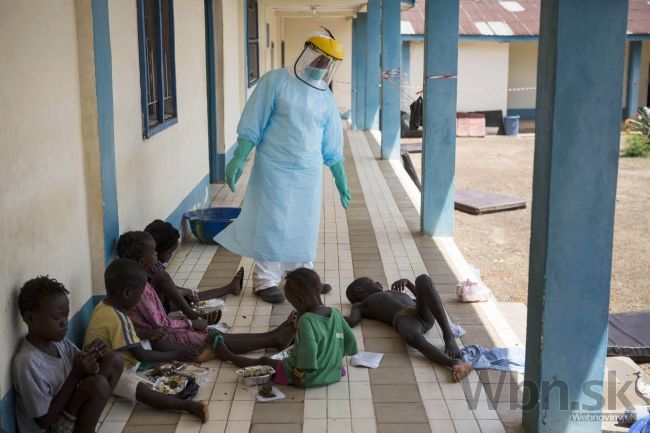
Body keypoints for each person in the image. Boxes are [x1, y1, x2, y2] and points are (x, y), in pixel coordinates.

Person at [215, 28, 351, 304]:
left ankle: (301, 277)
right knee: (272, 222)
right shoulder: (276, 81)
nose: (322, 65)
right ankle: (265, 280)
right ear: (307, 52)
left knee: (305, 223)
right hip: (274, 167)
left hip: (308, 172)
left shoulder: (324, 95)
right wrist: (239, 156)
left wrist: (340, 178)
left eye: (329, 63)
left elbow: (331, 140)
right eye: (320, 58)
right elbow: (254, 120)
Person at [84, 259, 208, 421]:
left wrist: (148, 334)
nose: (142, 297)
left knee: (153, 340)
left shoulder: (103, 306)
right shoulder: (118, 318)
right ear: (127, 292)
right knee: (137, 388)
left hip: (117, 358)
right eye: (141, 293)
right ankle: (188, 406)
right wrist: (177, 353)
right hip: (106, 373)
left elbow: (127, 335)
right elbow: (141, 355)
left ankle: (174, 360)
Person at [212, 268, 358, 388]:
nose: (294, 308)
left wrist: (298, 374)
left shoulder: (307, 320)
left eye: (293, 303)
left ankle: (229, 356)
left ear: (299, 300)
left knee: (264, 361)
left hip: (307, 377)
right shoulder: (336, 313)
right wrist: (332, 361)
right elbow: (350, 341)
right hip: (334, 372)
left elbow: (309, 350)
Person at [12, 276, 123, 433]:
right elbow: (44, 421)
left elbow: (87, 369)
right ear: (30, 318)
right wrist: (75, 374)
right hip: (49, 426)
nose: (64, 322)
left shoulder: (58, 343)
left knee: (113, 360)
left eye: (66, 315)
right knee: (97, 384)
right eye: (57, 317)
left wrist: (95, 353)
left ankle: (87, 424)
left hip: (65, 413)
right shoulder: (28, 362)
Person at [345, 274, 473, 382]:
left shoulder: (392, 292)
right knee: (410, 336)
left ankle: (449, 337)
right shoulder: (360, 305)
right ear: (359, 289)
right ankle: (454, 363)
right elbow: (352, 321)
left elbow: (425, 297)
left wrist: (408, 284)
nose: (377, 282)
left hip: (419, 312)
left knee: (423, 279)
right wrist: (331, 314)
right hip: (404, 320)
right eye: (371, 281)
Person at [116, 231, 220, 352]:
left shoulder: (140, 278)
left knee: (187, 300)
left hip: (155, 323)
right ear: (141, 261)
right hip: (153, 331)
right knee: (213, 339)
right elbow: (161, 324)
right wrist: (190, 324)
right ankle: (193, 319)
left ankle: (227, 290)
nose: (156, 254)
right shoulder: (141, 288)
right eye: (153, 252)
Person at [144, 219, 244, 318]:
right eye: (169, 253)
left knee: (188, 295)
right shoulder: (150, 268)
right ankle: (194, 316)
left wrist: (186, 291)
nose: (170, 256)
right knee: (189, 297)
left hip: (157, 301)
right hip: (154, 307)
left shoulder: (151, 261)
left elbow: (170, 287)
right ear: (156, 251)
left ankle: (230, 288)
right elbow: (168, 290)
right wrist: (188, 292)